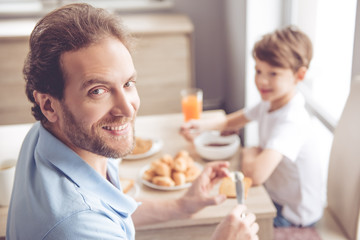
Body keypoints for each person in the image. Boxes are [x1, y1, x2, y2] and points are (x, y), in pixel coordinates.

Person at [6, 3, 259, 240]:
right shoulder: (78, 227)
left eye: (128, 84)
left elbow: (110, 210)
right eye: (98, 91)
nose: (127, 109)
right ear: (49, 105)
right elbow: (90, 218)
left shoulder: (46, 135)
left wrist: (182, 206)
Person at [181, 26, 328, 228]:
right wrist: (199, 126)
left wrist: (250, 149)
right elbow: (230, 121)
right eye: (258, 70)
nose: (262, 80)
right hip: (276, 197)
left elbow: (255, 175)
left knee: (215, 220)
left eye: (273, 73)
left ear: (299, 75)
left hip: (293, 217)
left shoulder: (292, 121)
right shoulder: (272, 102)